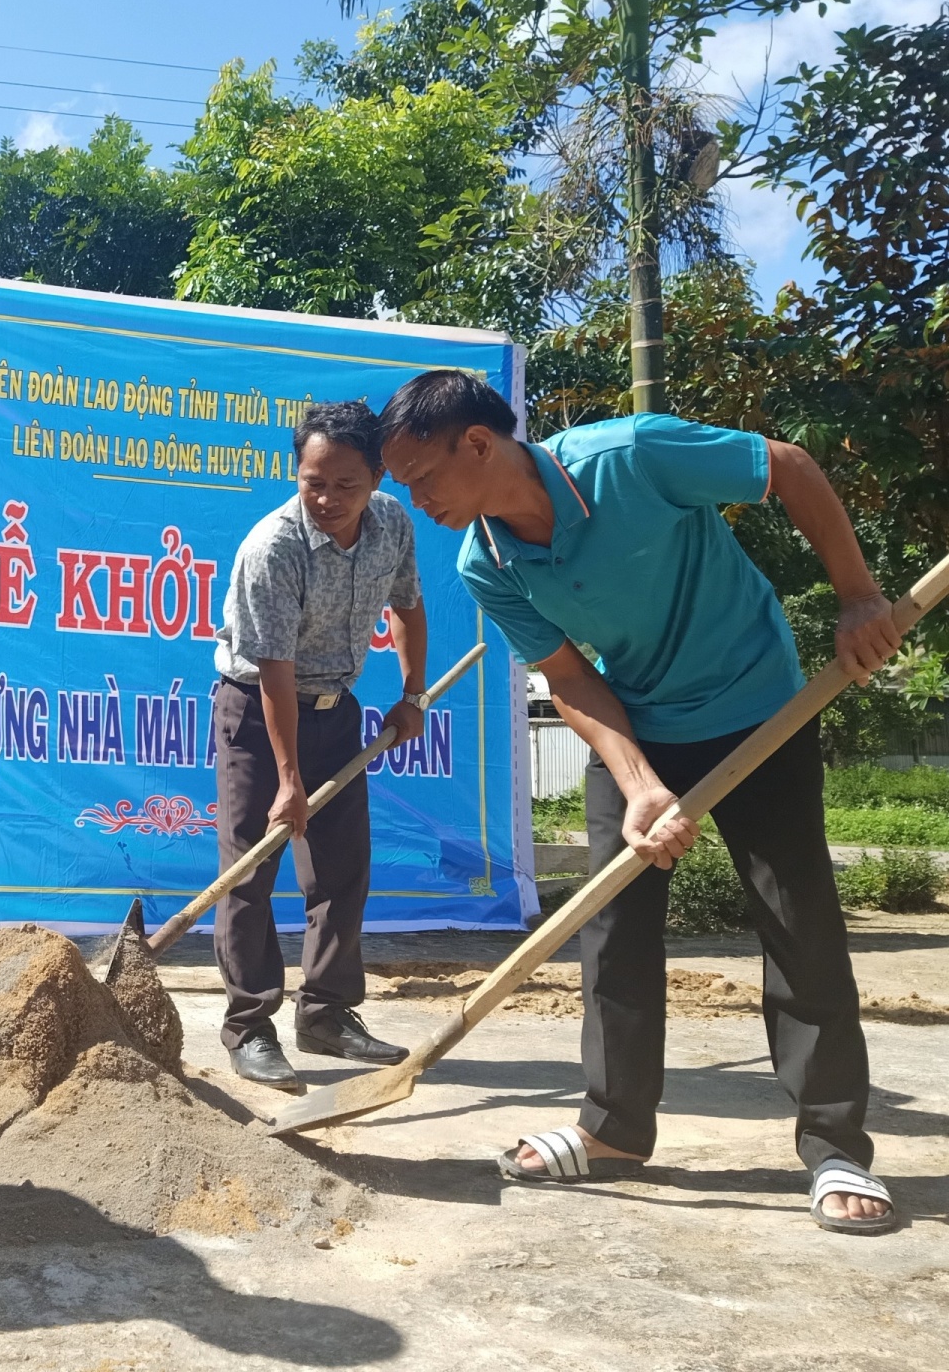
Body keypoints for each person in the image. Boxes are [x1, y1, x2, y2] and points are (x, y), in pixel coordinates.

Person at [379, 369, 900, 1235]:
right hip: (637, 723)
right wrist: (638, 782)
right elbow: (571, 677)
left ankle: (836, 1145)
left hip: (756, 705)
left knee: (796, 919)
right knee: (611, 924)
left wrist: (856, 595)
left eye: (422, 475)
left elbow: (791, 468)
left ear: (477, 443)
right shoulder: (487, 563)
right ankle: (614, 1128)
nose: (416, 497)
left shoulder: (633, 454)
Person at [212, 400, 428, 1087]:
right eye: (314, 483)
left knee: (340, 871)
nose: (328, 499)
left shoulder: (392, 524)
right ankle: (249, 1026)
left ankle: (327, 1015)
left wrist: (412, 692)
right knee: (251, 869)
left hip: (338, 711)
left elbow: (408, 607)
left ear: (378, 480)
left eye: (346, 485)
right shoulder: (271, 548)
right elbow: (273, 669)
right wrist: (287, 778)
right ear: (296, 473)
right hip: (257, 713)